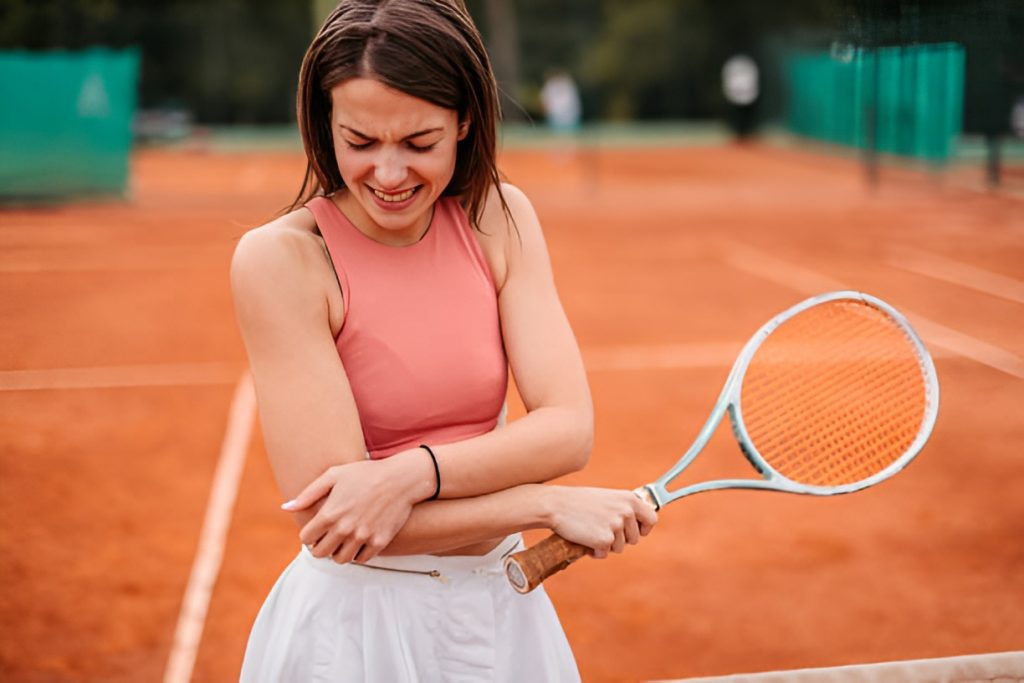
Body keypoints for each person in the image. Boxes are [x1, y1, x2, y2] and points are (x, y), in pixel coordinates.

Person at [230, 1, 657, 680]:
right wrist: (543, 503)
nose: (390, 175)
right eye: (360, 142)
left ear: (464, 120)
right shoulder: (279, 260)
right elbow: (336, 523)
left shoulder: (500, 215)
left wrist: (405, 474)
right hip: (357, 630)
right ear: (323, 123)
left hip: (502, 611)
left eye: (419, 142)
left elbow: (568, 428)